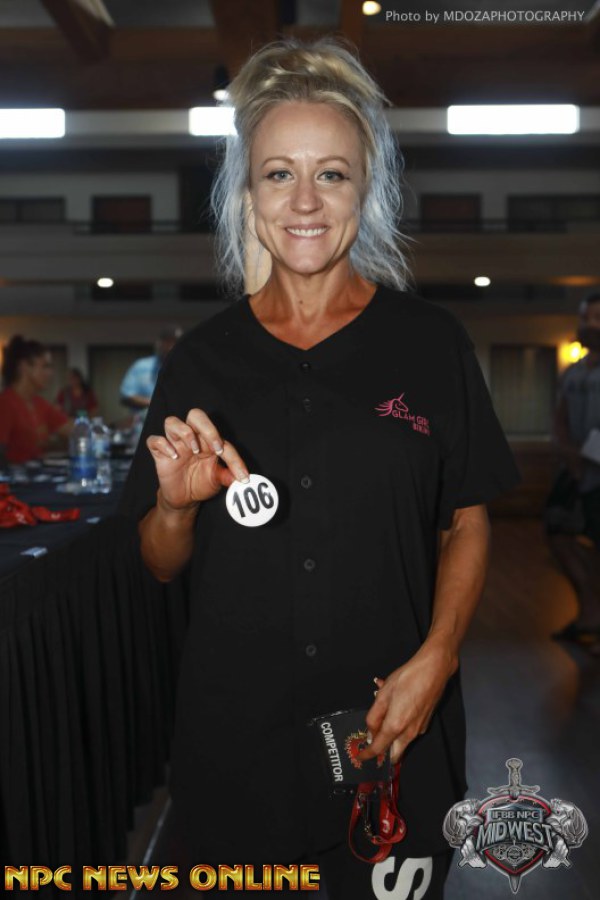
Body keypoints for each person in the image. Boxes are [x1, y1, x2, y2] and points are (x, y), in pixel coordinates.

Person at [118, 39, 520, 898]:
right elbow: (156, 560)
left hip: (392, 738)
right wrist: (177, 509)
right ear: (247, 193)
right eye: (279, 174)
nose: (305, 201)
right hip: (235, 750)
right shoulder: (201, 363)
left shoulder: (430, 345)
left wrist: (439, 656)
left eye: (331, 174)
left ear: (365, 188)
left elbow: (467, 518)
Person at [549, 290, 600, 648]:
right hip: (575, 472)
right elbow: (561, 418)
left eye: (597, 318)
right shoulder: (573, 371)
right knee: (556, 531)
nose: (589, 325)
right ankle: (589, 612)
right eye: (585, 318)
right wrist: (570, 455)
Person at [0, 335, 72, 464]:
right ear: (24, 367)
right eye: (45, 366)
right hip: (16, 475)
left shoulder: (40, 403)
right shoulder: (5, 403)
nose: (50, 373)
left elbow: (74, 430)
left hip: (38, 472)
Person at [119, 326, 183, 419]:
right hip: (144, 422)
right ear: (159, 343)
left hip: (177, 422)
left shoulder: (187, 369)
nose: (171, 346)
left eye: (175, 342)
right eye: (167, 342)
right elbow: (126, 396)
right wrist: (155, 403)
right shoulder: (141, 366)